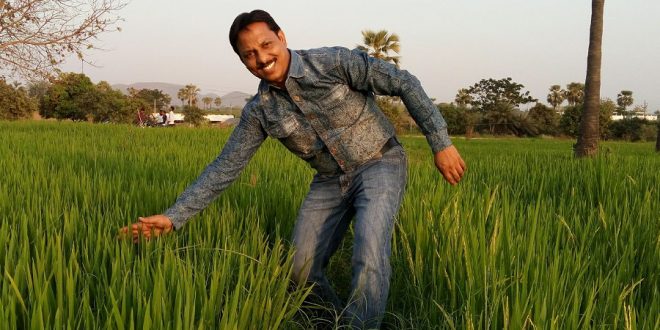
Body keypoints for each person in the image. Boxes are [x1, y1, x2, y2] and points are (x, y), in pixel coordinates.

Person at [120, 9, 465, 328]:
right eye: (249, 54)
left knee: (369, 253)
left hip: (379, 161)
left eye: (265, 44)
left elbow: (403, 81)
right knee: (298, 269)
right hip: (330, 180)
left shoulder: (332, 62)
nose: (261, 58)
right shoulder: (260, 111)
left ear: (281, 37)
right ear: (242, 61)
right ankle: (333, 319)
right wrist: (174, 216)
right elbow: (224, 168)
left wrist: (441, 142)